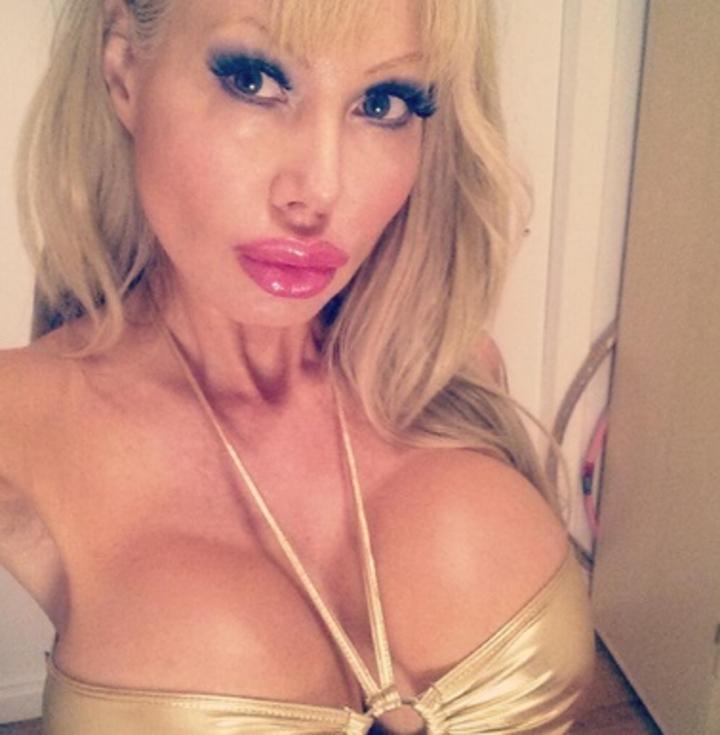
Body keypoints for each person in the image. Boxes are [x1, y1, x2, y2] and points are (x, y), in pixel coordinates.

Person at [0, 0, 595, 732]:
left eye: (383, 103)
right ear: (124, 67)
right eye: (254, 81)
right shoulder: (20, 426)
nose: (319, 190)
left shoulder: (446, 375)